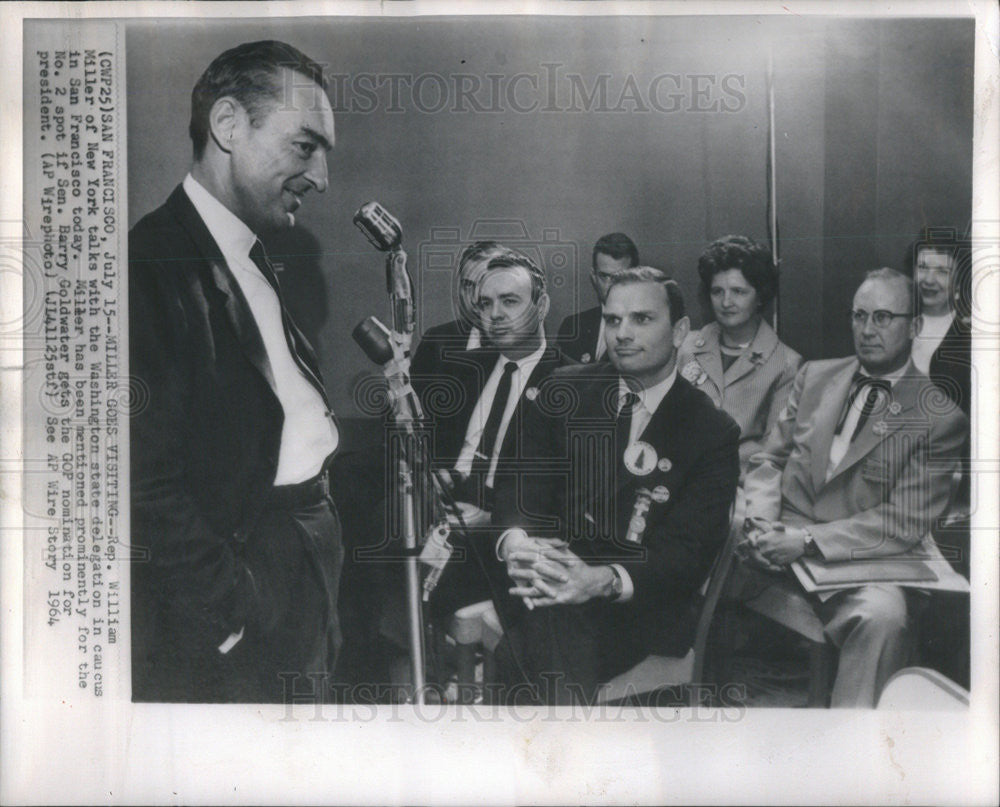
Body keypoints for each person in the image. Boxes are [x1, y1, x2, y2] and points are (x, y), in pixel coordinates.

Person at [129, 41, 343, 702]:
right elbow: (143, 483)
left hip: (304, 565)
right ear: (228, 126)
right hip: (246, 607)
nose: (323, 177)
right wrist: (232, 618)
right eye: (305, 146)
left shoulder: (252, 251)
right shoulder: (149, 264)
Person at [491, 267, 740, 704]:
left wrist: (601, 580)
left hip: (640, 603)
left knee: (542, 641)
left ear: (680, 330)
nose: (622, 333)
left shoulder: (711, 431)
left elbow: (686, 553)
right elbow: (520, 489)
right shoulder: (561, 391)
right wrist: (517, 544)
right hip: (547, 581)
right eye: (612, 320)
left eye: (642, 319)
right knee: (544, 623)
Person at [741, 268, 968, 707]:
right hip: (777, 531)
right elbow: (768, 459)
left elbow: (900, 523)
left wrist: (806, 541)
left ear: (915, 326)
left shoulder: (940, 417)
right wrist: (760, 522)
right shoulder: (816, 375)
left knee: (884, 616)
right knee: (706, 528)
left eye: (883, 318)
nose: (867, 330)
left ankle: (853, 746)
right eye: (859, 316)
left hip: (860, 558)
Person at [413, 250, 566, 624]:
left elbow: (564, 496)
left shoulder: (570, 382)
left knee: (418, 584)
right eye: (485, 303)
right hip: (442, 509)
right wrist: (433, 478)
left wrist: (493, 518)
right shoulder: (463, 370)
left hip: (505, 526)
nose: (495, 314)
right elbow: (427, 444)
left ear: (541, 305)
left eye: (509, 301)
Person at [678, 235, 801, 478]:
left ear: (760, 295)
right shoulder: (685, 346)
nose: (726, 302)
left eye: (738, 291)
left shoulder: (786, 364)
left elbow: (773, 453)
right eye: (717, 291)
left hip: (738, 485)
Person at [409, 240, 508, 379]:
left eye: (485, 284)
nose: (474, 299)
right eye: (468, 285)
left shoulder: (525, 345)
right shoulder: (436, 341)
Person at [907, 229, 972, 416]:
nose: (929, 280)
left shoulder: (969, 337)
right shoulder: (896, 320)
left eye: (942, 272)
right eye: (923, 267)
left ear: (959, 282)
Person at [557, 232, 639, 364]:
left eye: (620, 277)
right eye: (604, 276)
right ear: (593, 277)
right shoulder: (572, 327)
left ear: (635, 278)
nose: (610, 285)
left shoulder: (646, 327)